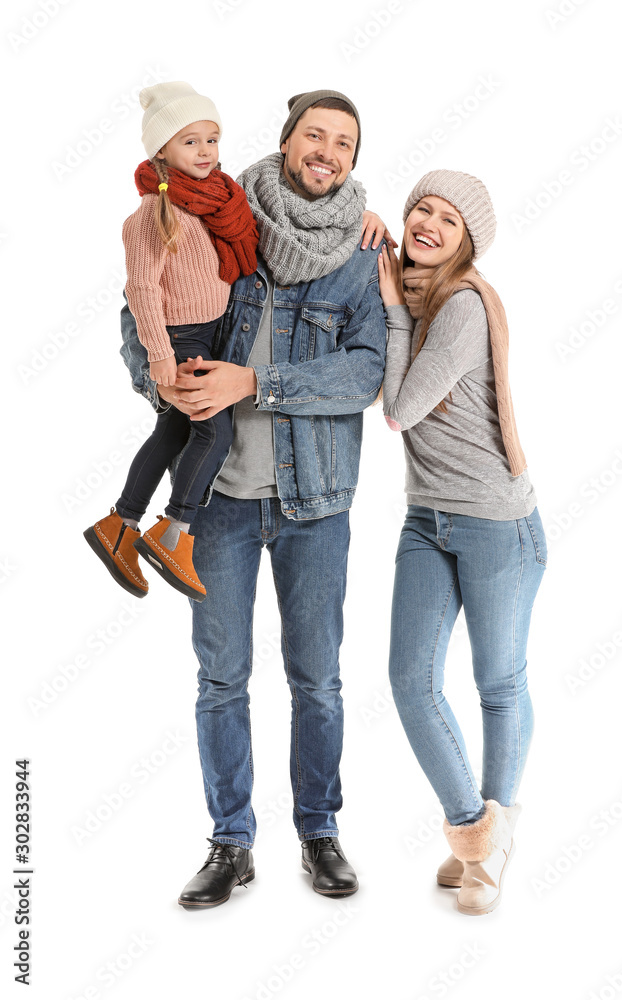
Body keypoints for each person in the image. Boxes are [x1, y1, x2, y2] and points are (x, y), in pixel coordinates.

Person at [120, 90, 388, 906]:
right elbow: (144, 317)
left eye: (344, 142)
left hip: (317, 503)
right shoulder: (213, 217)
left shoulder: (357, 250)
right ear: (284, 142)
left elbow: (365, 371)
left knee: (317, 679)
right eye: (315, 134)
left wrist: (255, 383)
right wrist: (166, 384)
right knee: (221, 679)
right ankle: (231, 843)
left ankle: (319, 832)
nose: (328, 151)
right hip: (220, 502)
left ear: (351, 160)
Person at [377, 169, 547, 916]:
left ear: (465, 241)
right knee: (410, 682)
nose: (429, 224)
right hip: (427, 519)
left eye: (448, 219)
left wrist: (387, 312)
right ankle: (477, 830)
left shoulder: (462, 308)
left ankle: (493, 831)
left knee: (497, 683)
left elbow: (401, 408)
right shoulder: (414, 292)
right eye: (422, 208)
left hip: (494, 522)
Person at [84, 82, 259, 601]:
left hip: (208, 334)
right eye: (191, 142)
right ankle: (173, 532)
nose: (206, 151)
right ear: (161, 150)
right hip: (180, 339)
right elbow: (141, 289)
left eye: (213, 139)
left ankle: (120, 525)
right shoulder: (150, 216)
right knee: (213, 435)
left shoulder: (213, 204)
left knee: (173, 434)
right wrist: (160, 355)